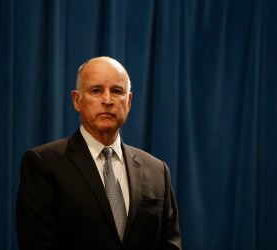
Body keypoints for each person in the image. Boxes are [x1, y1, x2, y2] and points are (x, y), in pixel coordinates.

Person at [16, 56, 181, 249]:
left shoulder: (157, 171)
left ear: (128, 102)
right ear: (77, 100)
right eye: (96, 90)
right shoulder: (43, 164)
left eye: (117, 91)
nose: (107, 100)